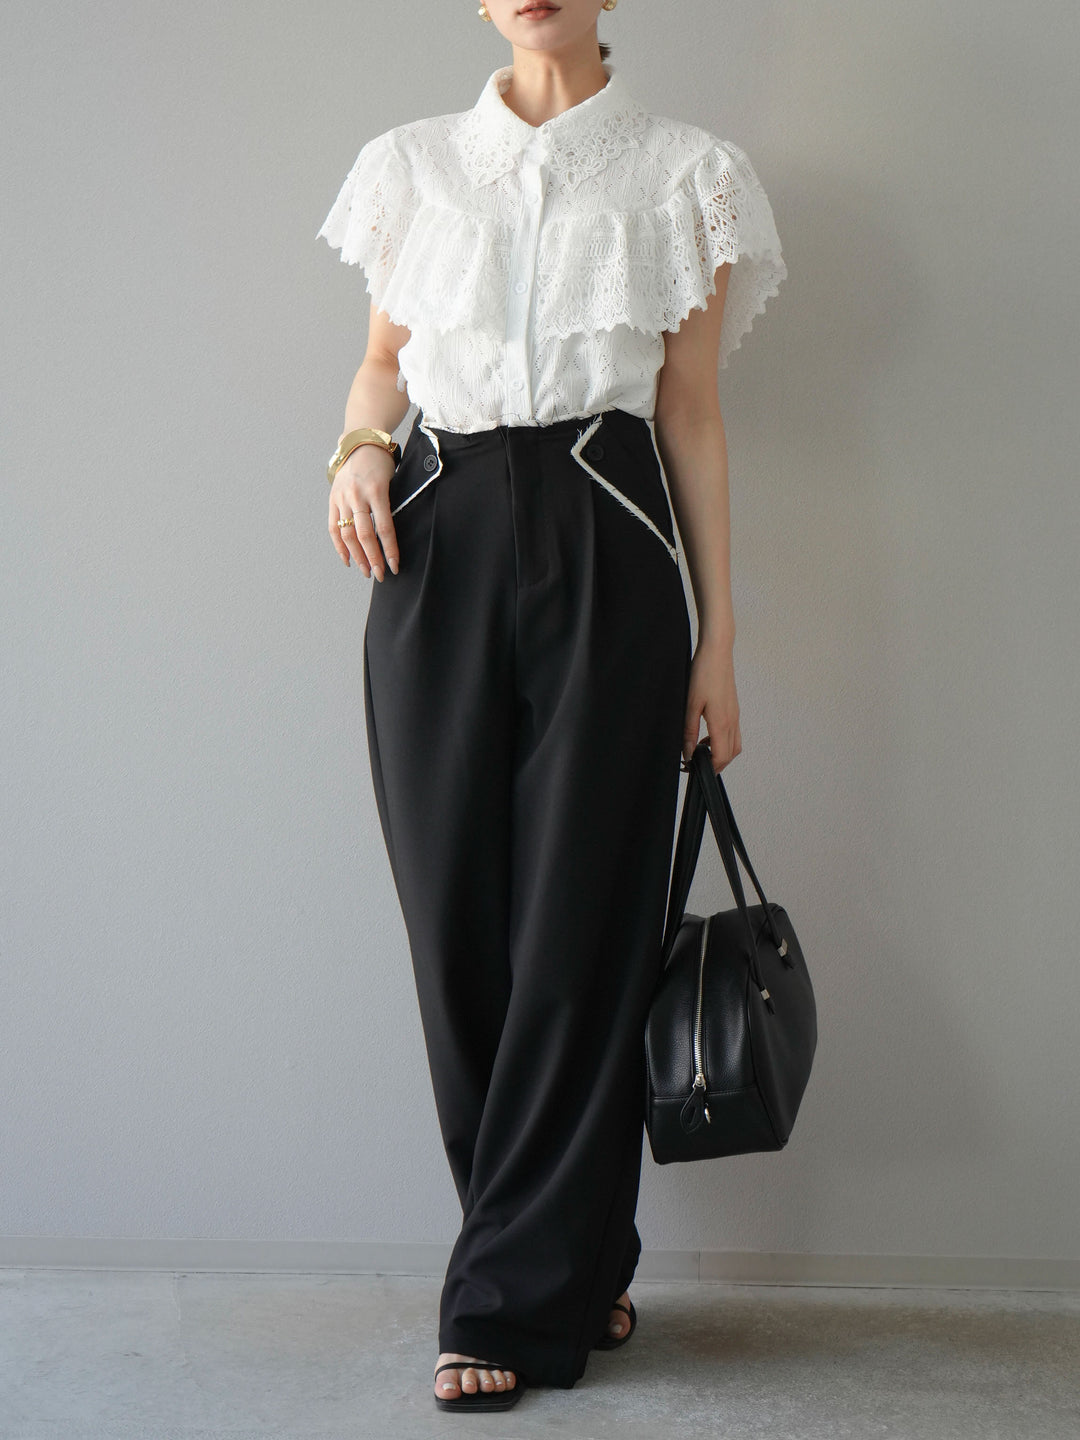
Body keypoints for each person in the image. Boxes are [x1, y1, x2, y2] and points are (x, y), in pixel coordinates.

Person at [315, 0, 786, 1414]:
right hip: (434, 532)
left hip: (606, 520)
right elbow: (385, 362)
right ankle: (572, 1261)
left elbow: (689, 410)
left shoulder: (688, 172)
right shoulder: (409, 165)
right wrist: (357, 447)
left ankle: (505, 1305)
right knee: (455, 925)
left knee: (583, 922)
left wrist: (719, 640)